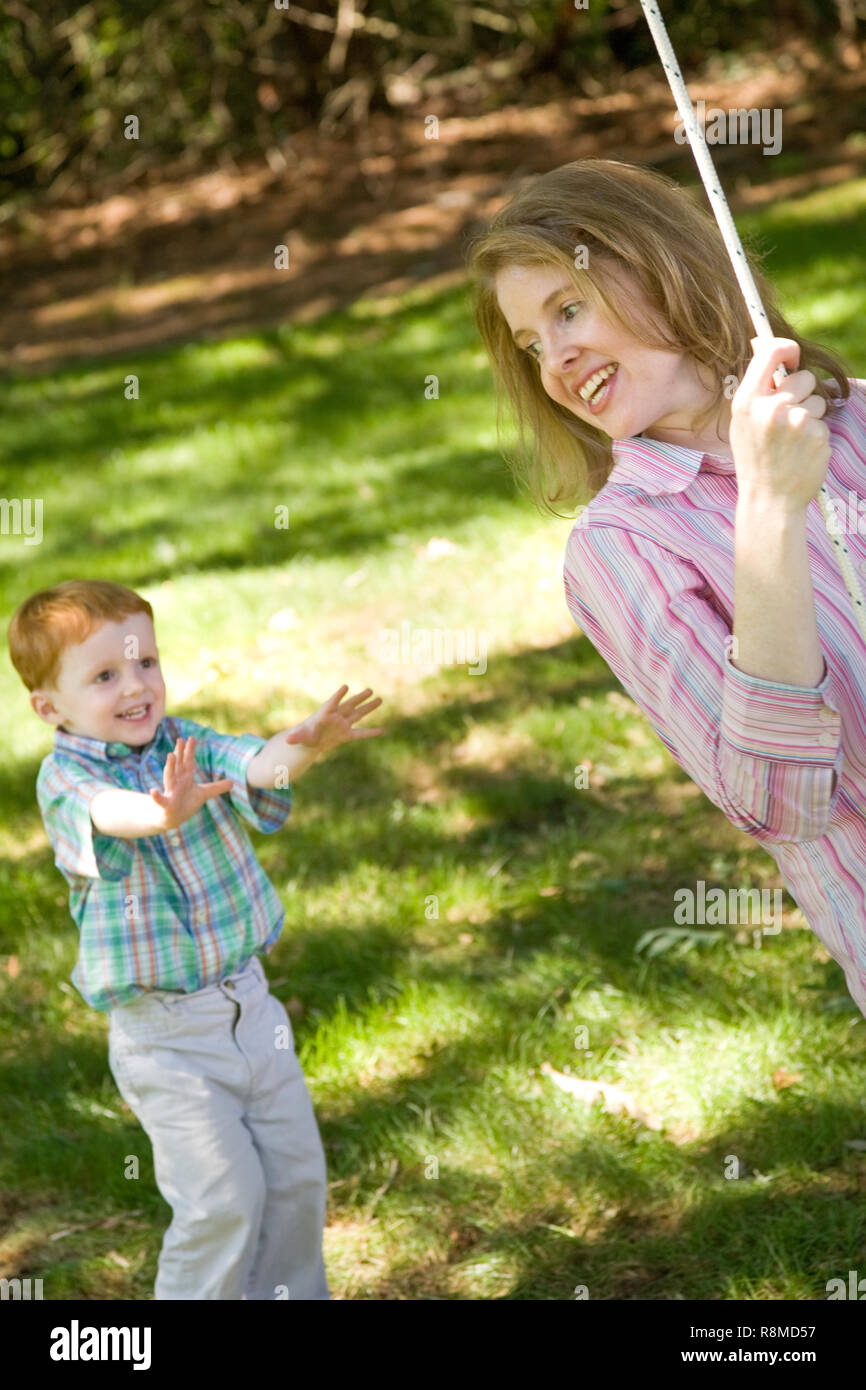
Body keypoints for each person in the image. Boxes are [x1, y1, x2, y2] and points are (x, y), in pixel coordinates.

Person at [466, 157, 866, 1018]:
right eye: (533, 345)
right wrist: (768, 506)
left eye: (567, 308)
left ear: (661, 263)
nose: (557, 358)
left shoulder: (860, 418)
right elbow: (777, 801)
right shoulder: (620, 550)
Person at [6, 578, 384, 1299]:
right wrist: (163, 811)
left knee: (297, 1180)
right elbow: (115, 814)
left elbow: (255, 765)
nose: (136, 685)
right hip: (168, 1040)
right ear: (49, 707)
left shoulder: (187, 740)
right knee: (222, 1201)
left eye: (145, 662)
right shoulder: (66, 778)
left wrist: (305, 747)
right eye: (106, 675)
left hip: (251, 1009)